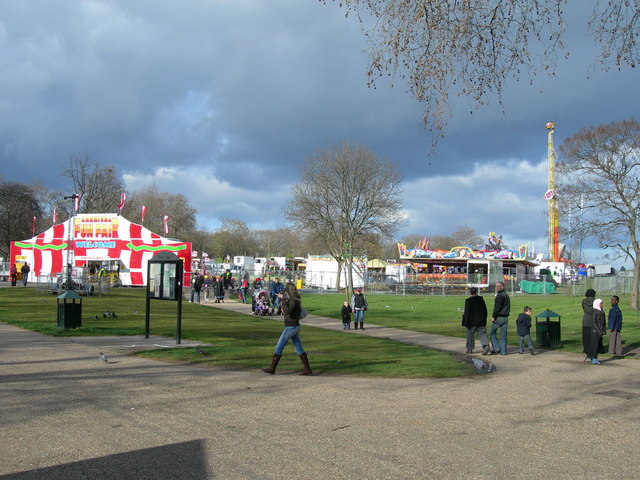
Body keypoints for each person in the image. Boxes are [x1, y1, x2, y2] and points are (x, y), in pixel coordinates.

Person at [261, 282, 312, 375]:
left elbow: (287, 312)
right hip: (295, 326)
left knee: (279, 347)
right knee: (298, 348)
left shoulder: (292, 300)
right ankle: (307, 369)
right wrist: (284, 299)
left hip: (291, 326)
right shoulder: (295, 299)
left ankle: (272, 368)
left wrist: (283, 300)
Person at [461, 286, 490, 355]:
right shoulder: (481, 300)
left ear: (470, 292)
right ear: (476, 291)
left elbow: (467, 312)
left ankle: (470, 348)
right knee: (483, 334)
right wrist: (484, 319)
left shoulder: (468, 301)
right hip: (481, 320)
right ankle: (485, 346)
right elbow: (485, 311)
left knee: (470, 335)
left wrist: (465, 322)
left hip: (472, 321)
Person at [489, 281, 510, 355]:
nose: (496, 288)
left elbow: (497, 308)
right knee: (503, 335)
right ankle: (503, 351)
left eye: (498, 286)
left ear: (502, 287)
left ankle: (497, 348)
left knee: (492, 333)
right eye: (496, 286)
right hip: (505, 317)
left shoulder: (500, 296)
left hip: (499, 317)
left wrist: (493, 317)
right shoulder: (506, 295)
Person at [589, 298, 606, 365]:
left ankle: (593, 357)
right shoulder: (594, 312)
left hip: (600, 331)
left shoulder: (601, 311)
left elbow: (603, 322)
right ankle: (594, 358)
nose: (602, 305)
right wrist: (599, 331)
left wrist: (603, 330)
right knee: (595, 345)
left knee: (598, 345)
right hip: (595, 331)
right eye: (601, 303)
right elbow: (594, 323)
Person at [581, 289, 596, 355]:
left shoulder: (584, 301)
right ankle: (594, 348)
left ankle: (586, 349)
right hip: (594, 320)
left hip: (586, 319)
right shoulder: (596, 301)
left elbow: (584, 308)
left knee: (586, 336)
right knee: (594, 336)